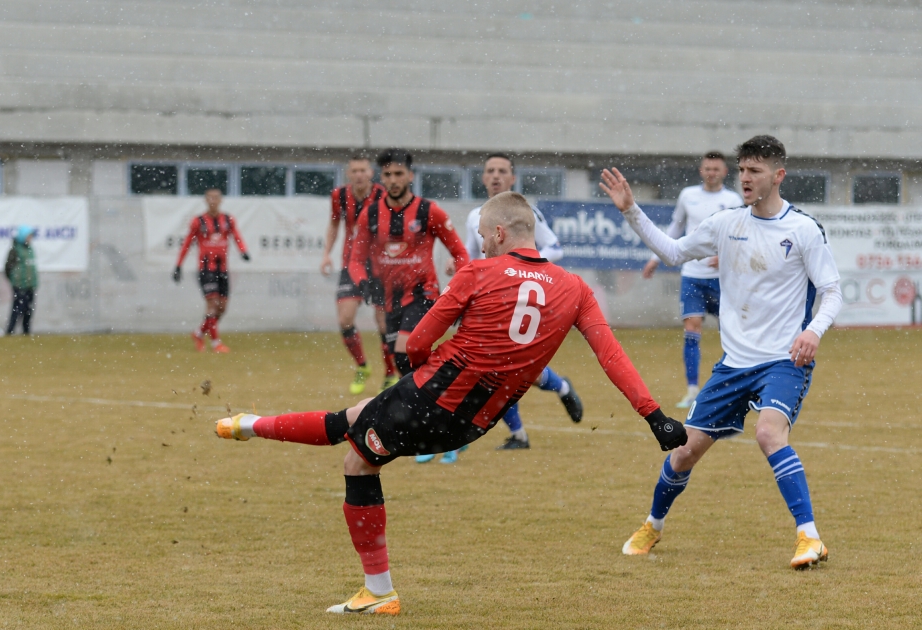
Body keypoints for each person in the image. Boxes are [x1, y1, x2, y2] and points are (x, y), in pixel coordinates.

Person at [213, 192, 687, 614]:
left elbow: (416, 342)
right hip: (474, 424)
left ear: (500, 233)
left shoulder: (477, 272)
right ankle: (250, 425)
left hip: (430, 399)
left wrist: (420, 370)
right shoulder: (576, 289)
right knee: (353, 428)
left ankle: (377, 589)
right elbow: (612, 356)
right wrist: (654, 415)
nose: (480, 243)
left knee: (353, 454)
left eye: (483, 234)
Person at [600, 135, 842, 570]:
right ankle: (653, 525)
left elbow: (832, 291)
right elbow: (673, 252)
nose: (745, 178)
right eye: (742, 170)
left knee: (768, 434)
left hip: (784, 360)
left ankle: (810, 538)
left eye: (755, 171)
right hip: (733, 365)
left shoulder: (803, 229)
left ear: (778, 175)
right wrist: (631, 211)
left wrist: (814, 331)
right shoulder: (726, 223)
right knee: (684, 452)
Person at [425, 153, 583, 460]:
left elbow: (555, 248)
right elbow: (471, 254)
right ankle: (517, 432)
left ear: (512, 179)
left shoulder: (527, 214)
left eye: (502, 171)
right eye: (490, 171)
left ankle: (558, 390)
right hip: (489, 299)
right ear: (483, 178)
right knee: (498, 366)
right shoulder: (476, 216)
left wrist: (526, 269)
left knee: (512, 367)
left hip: (521, 297)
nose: (496, 176)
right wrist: (457, 264)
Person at [346, 148, 469, 383]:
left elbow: (460, 253)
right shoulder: (370, 214)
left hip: (423, 294)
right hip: (390, 300)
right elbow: (356, 260)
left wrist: (459, 291)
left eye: (399, 174)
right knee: (404, 364)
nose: (393, 180)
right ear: (381, 177)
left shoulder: (428, 211)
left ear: (410, 176)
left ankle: (447, 389)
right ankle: (442, 393)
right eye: (388, 174)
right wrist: (363, 283)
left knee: (405, 353)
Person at [640, 152, 744, 408]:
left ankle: (733, 387)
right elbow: (675, 228)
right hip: (692, 277)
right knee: (692, 328)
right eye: (707, 168)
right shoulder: (688, 196)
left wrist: (726, 255)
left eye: (716, 169)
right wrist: (656, 258)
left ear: (724, 172)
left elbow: (741, 233)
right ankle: (692, 390)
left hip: (722, 279)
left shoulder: (733, 200)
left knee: (731, 333)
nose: (711, 172)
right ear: (701, 171)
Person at [321, 156, 395, 394]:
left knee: (384, 323)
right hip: (351, 264)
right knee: (345, 320)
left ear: (371, 173)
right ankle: (362, 366)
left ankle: (391, 372)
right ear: (349, 174)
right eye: (355, 170)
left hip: (380, 267)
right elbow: (334, 224)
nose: (359, 174)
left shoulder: (383, 195)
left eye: (363, 170)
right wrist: (326, 253)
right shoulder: (339, 196)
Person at [173, 188, 249, 353]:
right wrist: (178, 265)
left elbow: (236, 236)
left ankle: (199, 333)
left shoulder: (228, 220)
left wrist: (243, 251)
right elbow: (187, 243)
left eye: (216, 198)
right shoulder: (198, 222)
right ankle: (216, 344)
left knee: (222, 308)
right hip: (206, 269)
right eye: (210, 198)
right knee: (212, 305)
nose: (213, 201)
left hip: (222, 269)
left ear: (221, 200)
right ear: (205, 201)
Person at [5, 225, 38, 336]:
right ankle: (10, 331)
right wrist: (15, 280)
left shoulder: (30, 249)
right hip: (19, 286)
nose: (30, 238)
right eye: (28, 236)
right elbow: (8, 267)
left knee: (28, 310)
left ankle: (26, 332)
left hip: (30, 285)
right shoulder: (15, 250)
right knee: (17, 310)